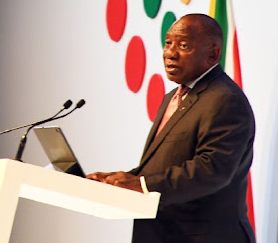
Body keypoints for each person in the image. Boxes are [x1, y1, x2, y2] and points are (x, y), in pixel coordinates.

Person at [87, 13, 255, 243]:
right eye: (168, 43)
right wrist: (120, 181)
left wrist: (142, 185)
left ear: (213, 54)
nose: (169, 53)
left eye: (183, 45)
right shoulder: (172, 98)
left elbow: (212, 170)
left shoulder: (225, 99)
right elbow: (168, 163)